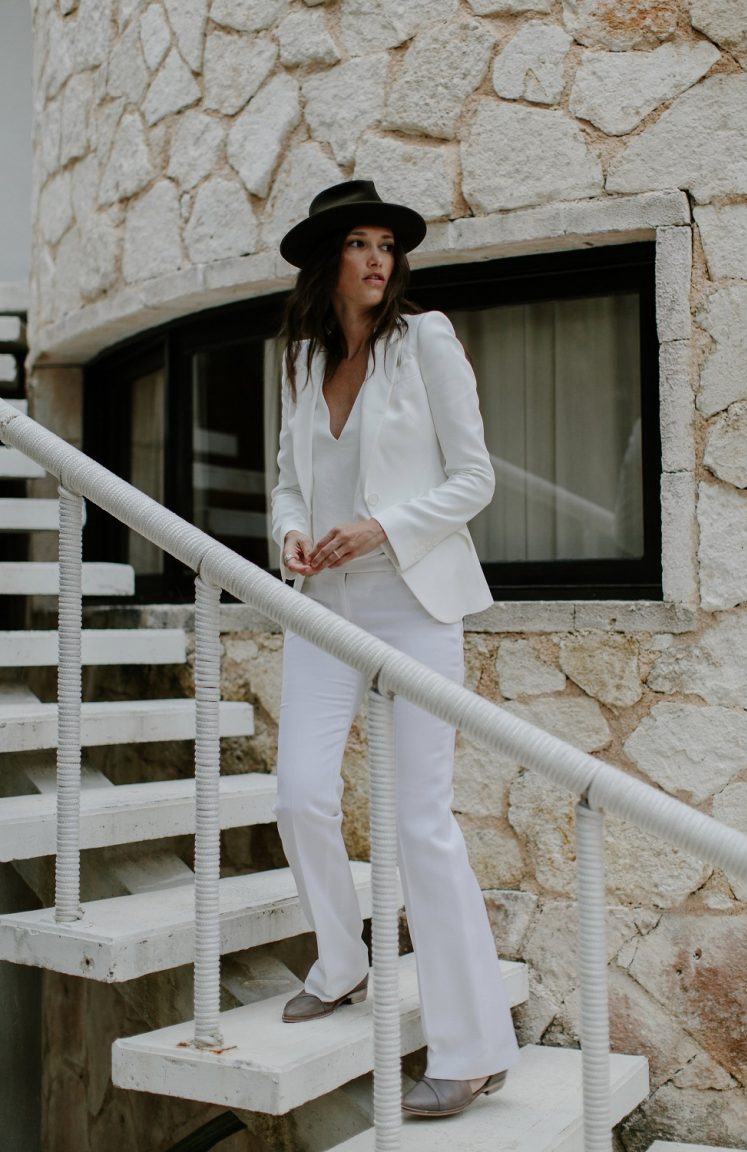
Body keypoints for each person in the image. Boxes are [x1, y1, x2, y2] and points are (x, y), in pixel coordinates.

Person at [271, 180, 519, 1118]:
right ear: (327, 260)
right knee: (299, 794)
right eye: (358, 244)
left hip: (413, 601)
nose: (377, 259)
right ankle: (342, 961)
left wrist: (381, 527)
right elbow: (288, 483)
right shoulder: (301, 359)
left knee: (420, 823)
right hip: (325, 605)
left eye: (386, 244)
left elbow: (474, 479)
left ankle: (472, 1051)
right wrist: (291, 535)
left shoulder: (427, 341)